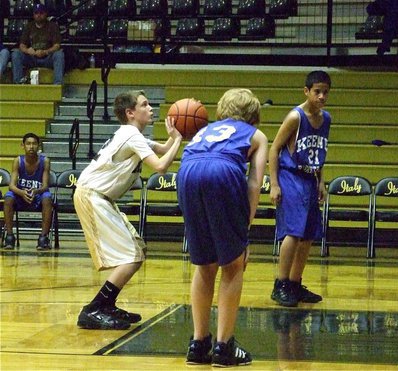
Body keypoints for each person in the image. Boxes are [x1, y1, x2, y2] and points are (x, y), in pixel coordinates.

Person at [73, 90, 182, 330]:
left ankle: (106, 304)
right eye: (145, 104)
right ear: (130, 113)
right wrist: (178, 140)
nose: (151, 108)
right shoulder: (131, 134)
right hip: (92, 195)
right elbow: (162, 166)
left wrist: (173, 137)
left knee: (137, 251)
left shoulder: (132, 134)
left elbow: (163, 149)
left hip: (100, 197)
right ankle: (93, 309)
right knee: (131, 256)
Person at [177, 89, 268, 367]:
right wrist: (245, 228)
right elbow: (254, 183)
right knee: (232, 265)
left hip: (187, 171)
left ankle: (198, 343)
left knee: (205, 265)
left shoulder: (205, 129)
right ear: (254, 116)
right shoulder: (256, 135)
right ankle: (223, 347)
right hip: (222, 172)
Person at [269, 70, 331, 307]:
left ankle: (295, 283)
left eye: (325, 92)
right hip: (290, 176)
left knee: (308, 236)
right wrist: (274, 184)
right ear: (306, 91)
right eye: (317, 91)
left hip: (310, 178)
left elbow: (319, 152)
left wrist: (321, 180)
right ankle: (281, 284)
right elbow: (274, 149)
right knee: (294, 233)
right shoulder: (295, 117)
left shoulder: (326, 119)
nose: (322, 96)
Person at [3, 133, 53, 250]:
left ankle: (43, 238)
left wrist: (35, 192)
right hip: (21, 195)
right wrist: (22, 193)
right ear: (23, 146)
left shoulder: (45, 161)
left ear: (38, 146)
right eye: (28, 144)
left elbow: (45, 186)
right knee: (8, 197)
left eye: (34, 144)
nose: (31, 147)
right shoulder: (18, 161)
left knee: (47, 198)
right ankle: (9, 236)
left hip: (38, 194)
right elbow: (11, 186)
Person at [11, 3, 64, 85]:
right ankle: (18, 82)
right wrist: (28, 51)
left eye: (41, 13)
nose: (38, 15)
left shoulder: (53, 26)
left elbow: (57, 46)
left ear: (46, 14)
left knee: (59, 54)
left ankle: (58, 84)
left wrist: (45, 52)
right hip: (32, 58)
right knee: (16, 54)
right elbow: (22, 45)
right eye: (36, 13)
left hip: (47, 58)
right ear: (33, 15)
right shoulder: (29, 26)